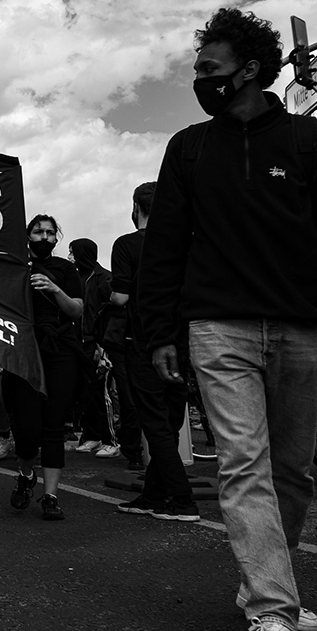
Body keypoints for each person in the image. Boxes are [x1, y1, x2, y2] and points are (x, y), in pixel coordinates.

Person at [139, 8, 317, 631]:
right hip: (218, 329)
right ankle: (272, 617)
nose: (199, 79)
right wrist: (158, 331)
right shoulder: (188, 148)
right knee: (242, 466)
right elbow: (165, 246)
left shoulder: (308, 141)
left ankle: (271, 585)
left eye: (209, 69)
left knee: (293, 471)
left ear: (248, 70)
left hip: (302, 328)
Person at [111, 182, 197, 522]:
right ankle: (154, 495)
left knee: (155, 424)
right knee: (171, 422)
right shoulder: (185, 244)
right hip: (184, 340)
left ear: (136, 208)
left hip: (145, 341)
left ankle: (182, 500)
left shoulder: (127, 245)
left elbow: (120, 297)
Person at [3, 214, 82, 522]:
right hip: (23, 351)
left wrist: (53, 289)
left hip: (60, 350)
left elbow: (77, 309)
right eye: (39, 231)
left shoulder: (65, 269)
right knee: (26, 427)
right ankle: (25, 475)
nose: (45, 237)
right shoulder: (15, 267)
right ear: (28, 235)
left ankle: (51, 496)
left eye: (51, 233)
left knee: (53, 425)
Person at [67, 238, 120, 458]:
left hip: (97, 344)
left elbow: (109, 314)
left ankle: (111, 441)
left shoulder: (104, 278)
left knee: (102, 392)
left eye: (72, 252)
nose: (69, 257)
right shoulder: (75, 278)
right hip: (79, 343)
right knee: (85, 392)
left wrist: (103, 345)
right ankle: (93, 436)